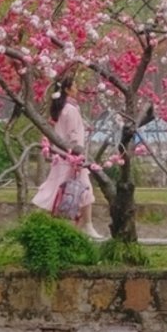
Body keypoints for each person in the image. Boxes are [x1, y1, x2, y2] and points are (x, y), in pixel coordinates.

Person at [31, 76, 95, 235]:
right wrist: (78, 154)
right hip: (72, 158)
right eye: (75, 86)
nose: (77, 88)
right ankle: (86, 226)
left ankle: (86, 225)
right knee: (76, 190)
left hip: (64, 157)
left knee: (65, 189)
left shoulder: (63, 108)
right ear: (67, 89)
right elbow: (73, 134)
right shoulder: (71, 110)